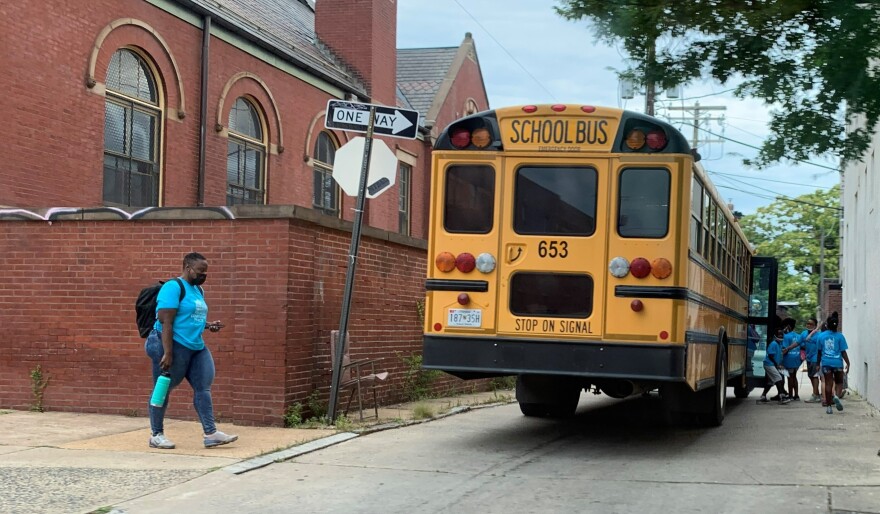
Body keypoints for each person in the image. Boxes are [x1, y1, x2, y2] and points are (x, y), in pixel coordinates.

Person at [145, 252, 238, 449]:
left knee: (203, 387)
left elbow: (190, 317)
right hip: (170, 344)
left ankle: (211, 433)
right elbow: (166, 321)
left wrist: (208, 325)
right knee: (163, 388)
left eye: (206, 271)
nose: (204, 275)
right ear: (188, 268)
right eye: (200, 271)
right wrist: (168, 353)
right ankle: (156, 434)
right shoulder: (173, 287)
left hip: (196, 346)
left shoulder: (198, 290)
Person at [817, 312, 850, 415]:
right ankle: (836, 396)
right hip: (837, 363)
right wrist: (848, 363)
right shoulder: (840, 336)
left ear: (827, 325)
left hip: (826, 363)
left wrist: (818, 364)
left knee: (828, 383)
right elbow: (843, 352)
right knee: (839, 382)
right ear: (837, 324)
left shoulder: (821, 336)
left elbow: (818, 351)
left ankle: (829, 407)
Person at [759, 327, 791, 405]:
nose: (780, 336)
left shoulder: (779, 344)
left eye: (781, 334)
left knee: (770, 382)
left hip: (772, 364)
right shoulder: (774, 343)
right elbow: (770, 355)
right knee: (779, 379)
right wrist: (777, 364)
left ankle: (763, 396)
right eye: (779, 334)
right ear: (775, 335)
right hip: (769, 364)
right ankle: (781, 397)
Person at [780, 318, 803, 400]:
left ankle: (790, 395)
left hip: (788, 359)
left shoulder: (786, 336)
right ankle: (796, 395)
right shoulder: (799, 336)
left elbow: (784, 349)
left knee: (789, 377)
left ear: (788, 326)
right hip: (797, 359)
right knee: (794, 376)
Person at [801, 318, 823, 403]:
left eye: (811, 324)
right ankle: (816, 393)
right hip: (808, 358)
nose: (809, 325)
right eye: (808, 323)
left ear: (815, 325)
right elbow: (800, 343)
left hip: (815, 358)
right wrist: (788, 348)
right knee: (810, 376)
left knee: (814, 376)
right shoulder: (804, 333)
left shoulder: (819, 335)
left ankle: (815, 395)